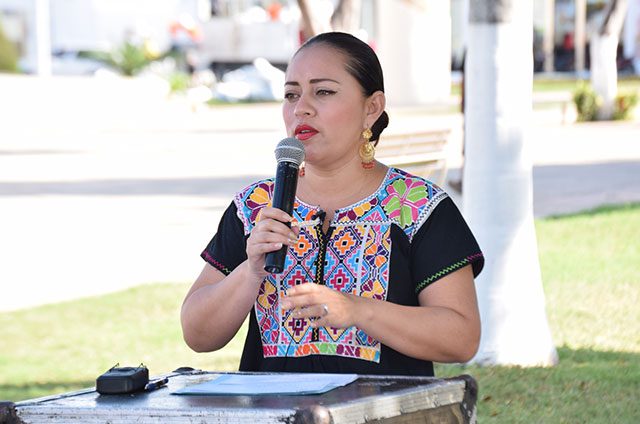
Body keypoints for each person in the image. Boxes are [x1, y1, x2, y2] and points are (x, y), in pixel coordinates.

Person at [181, 32, 484, 376]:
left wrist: (358, 310)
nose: (301, 108)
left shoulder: (417, 207)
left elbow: (461, 338)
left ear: (371, 108)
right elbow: (197, 334)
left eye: (323, 91)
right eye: (291, 94)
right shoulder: (255, 207)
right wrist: (250, 271)